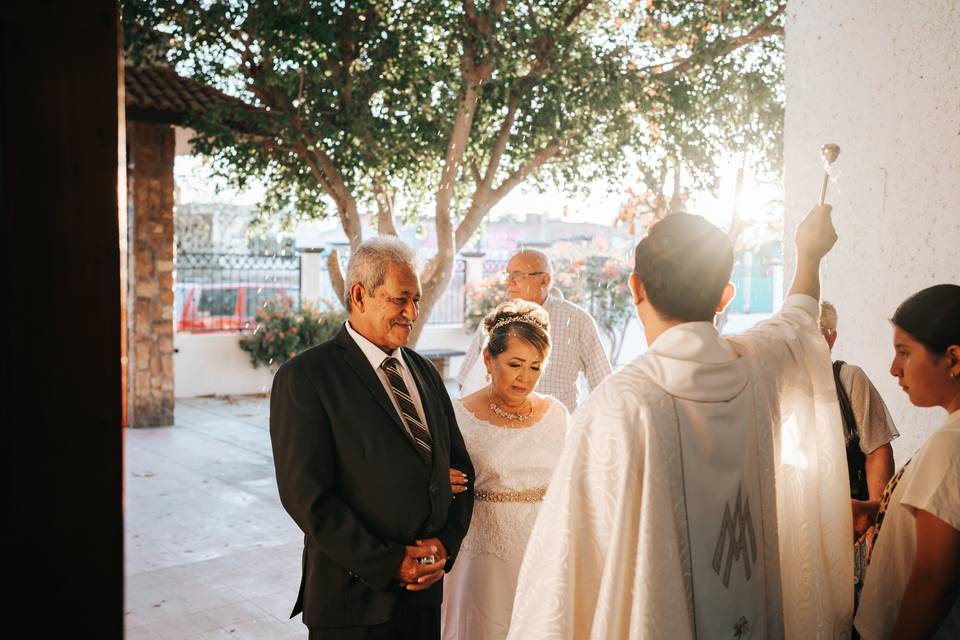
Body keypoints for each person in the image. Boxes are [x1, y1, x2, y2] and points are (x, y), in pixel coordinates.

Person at [508, 206, 853, 639]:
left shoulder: (619, 405)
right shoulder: (757, 366)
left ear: (636, 287)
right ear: (725, 297)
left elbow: (561, 579)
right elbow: (798, 320)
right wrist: (810, 256)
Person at [270, 236, 475, 640]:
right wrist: (391, 561)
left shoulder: (425, 372)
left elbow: (461, 470)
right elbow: (307, 498)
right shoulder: (306, 378)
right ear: (360, 295)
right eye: (401, 299)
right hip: (353, 602)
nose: (412, 313)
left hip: (423, 599)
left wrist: (445, 546)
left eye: (416, 300)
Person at [441, 300, 569, 640]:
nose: (525, 378)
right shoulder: (458, 417)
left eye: (535, 367)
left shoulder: (557, 415)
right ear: (488, 358)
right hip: (482, 556)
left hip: (542, 551)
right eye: (515, 364)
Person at [853, 284, 960, 640]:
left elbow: (934, 580)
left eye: (905, 353)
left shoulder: (950, 443)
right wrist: (879, 509)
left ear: (954, 359)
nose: (894, 369)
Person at [457, 249, 611, 411]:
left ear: (544, 280)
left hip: (558, 431)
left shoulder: (578, 321)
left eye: (517, 275)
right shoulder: (494, 322)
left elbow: (602, 386)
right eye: (507, 274)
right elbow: (466, 381)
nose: (509, 282)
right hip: (501, 428)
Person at [820, 300, 899, 605]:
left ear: (831, 338)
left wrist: (875, 517)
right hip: (801, 523)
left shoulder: (848, 378)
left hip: (852, 518)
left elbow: (878, 450)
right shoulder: (777, 385)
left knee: (851, 602)